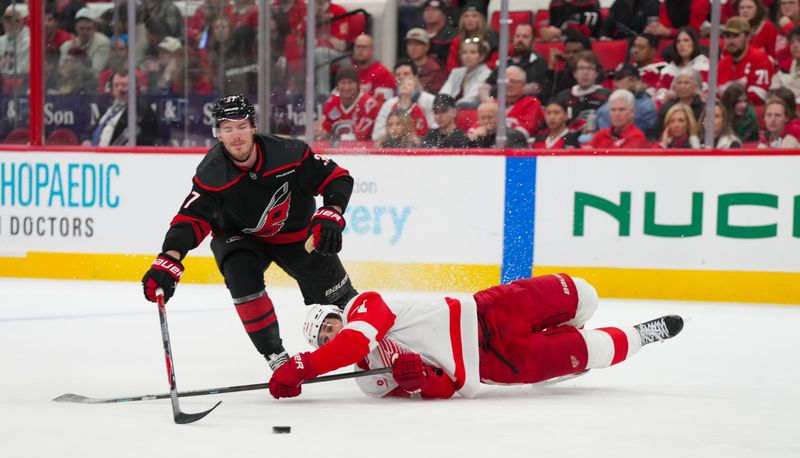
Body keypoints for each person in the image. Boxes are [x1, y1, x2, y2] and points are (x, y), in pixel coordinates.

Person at [141, 95, 358, 372]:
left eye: (241, 126)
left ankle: (374, 341)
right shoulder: (212, 172)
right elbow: (190, 218)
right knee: (240, 274)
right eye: (228, 128)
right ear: (218, 134)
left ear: (254, 127)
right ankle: (276, 356)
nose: (236, 135)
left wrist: (331, 212)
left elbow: (337, 177)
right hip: (239, 238)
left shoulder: (288, 153)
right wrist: (169, 258)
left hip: (296, 238)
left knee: (343, 299)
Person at [268, 274, 684, 400]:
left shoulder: (365, 308)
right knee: (589, 349)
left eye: (328, 324)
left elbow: (354, 342)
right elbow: (444, 387)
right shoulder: (366, 381)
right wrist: (420, 381)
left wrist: (304, 366)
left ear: (338, 314)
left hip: (488, 311)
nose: (330, 334)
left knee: (584, 295)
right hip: (491, 365)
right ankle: (643, 335)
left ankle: (572, 323)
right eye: (322, 338)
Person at [84, 70, 160, 146]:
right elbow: (96, 128)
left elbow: (149, 140)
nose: (120, 89)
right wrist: (87, 139)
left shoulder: (142, 110)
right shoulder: (107, 106)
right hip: (95, 155)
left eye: (124, 85)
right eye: (116, 85)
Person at [372, 60, 436, 142]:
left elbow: (434, 129)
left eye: (406, 74)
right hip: (392, 147)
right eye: (398, 74)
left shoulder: (430, 100)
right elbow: (376, 134)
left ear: (415, 77)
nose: (402, 77)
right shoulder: (389, 104)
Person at [717, 16, 775, 104]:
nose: (731, 41)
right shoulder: (722, 63)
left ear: (748, 37)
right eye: (727, 36)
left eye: (736, 36)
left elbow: (758, 96)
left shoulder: (760, 59)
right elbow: (713, 94)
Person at [482, 24, 548, 99]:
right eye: (517, 36)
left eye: (525, 37)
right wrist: (487, 100)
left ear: (532, 40)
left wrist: (505, 91)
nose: (520, 40)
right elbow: (486, 86)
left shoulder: (538, 61)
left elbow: (536, 88)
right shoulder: (505, 61)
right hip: (498, 104)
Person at [316, 66, 380, 142]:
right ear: (337, 85)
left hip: (364, 151)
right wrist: (321, 132)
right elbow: (324, 132)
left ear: (358, 84)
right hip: (336, 150)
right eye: (343, 83)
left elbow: (361, 136)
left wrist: (337, 139)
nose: (346, 87)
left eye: (350, 83)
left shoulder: (369, 104)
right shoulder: (331, 103)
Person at [554, 51, 610, 137]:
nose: (585, 73)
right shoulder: (563, 96)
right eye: (581, 68)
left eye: (590, 68)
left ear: (596, 73)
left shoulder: (605, 96)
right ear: (574, 73)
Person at [596, 64, 657, 137]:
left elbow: (636, 136)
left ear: (632, 81)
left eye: (620, 77)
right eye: (615, 76)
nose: (615, 81)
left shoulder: (646, 106)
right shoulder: (614, 100)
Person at [484, 65, 544, 138]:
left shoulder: (532, 103)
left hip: (516, 146)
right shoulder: (494, 103)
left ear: (524, 84)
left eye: (514, 81)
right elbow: (477, 127)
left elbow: (524, 132)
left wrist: (490, 133)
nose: (509, 84)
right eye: (506, 81)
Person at [655, 26, 709, 106]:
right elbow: (659, 96)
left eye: (686, 40)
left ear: (694, 43)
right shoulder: (669, 70)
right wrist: (667, 95)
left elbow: (706, 93)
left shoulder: (704, 66)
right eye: (678, 42)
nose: (682, 44)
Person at [439, 37, 492, 109]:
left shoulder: (486, 73)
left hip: (470, 111)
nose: (468, 56)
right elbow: (443, 94)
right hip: (449, 110)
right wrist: (442, 104)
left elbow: (470, 99)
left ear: (481, 56)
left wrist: (449, 108)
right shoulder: (456, 72)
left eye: (473, 52)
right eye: (464, 52)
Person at [446, 1, 498, 72]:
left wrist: (478, 71)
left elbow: (495, 61)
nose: (469, 19)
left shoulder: (490, 37)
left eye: (474, 16)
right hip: (462, 75)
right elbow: (452, 65)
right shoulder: (457, 40)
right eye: (466, 16)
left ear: (481, 19)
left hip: (486, 74)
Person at [59, 7, 110, 77]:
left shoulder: (102, 43)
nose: (85, 32)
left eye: (88, 29)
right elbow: (61, 72)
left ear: (95, 27)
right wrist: (73, 52)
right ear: (76, 27)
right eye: (81, 28)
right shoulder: (67, 46)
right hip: (70, 83)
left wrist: (78, 64)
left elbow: (96, 73)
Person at [351, 34, 396, 103]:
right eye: (358, 47)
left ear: (372, 51)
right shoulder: (348, 71)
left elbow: (381, 104)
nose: (360, 50)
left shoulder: (383, 73)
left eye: (363, 47)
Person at [404, 27, 447, 94]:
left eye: (418, 44)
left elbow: (436, 98)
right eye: (410, 44)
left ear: (427, 47)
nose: (413, 48)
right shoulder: (403, 68)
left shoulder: (436, 70)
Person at [0, 3, 29, 94]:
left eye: (12, 20)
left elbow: (24, 71)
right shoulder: (1, 40)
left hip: (23, 84)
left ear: (20, 22)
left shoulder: (28, 41)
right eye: (6, 21)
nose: (8, 24)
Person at [420, 0, 455, 66]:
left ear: (443, 14)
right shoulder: (419, 33)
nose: (430, 13)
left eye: (434, 10)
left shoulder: (450, 35)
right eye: (427, 10)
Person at [770, 27, 800, 102]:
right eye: (792, 42)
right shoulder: (784, 67)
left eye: (799, 41)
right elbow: (773, 91)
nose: (795, 45)